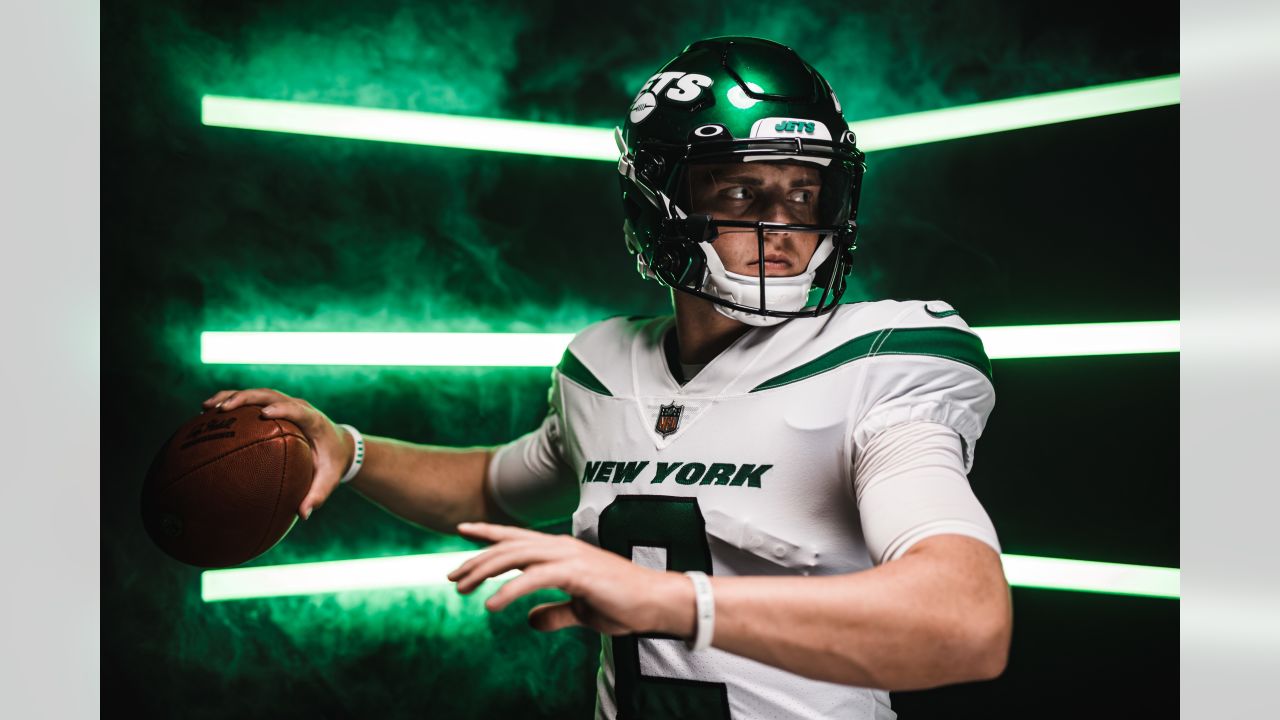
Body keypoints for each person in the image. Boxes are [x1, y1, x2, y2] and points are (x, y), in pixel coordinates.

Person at [202, 36, 1011, 720]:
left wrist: (669, 603)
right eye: (741, 191)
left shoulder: (879, 367)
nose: (784, 229)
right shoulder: (599, 368)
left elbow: (967, 621)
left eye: (805, 194)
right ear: (656, 204)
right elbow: (494, 485)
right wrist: (352, 450)